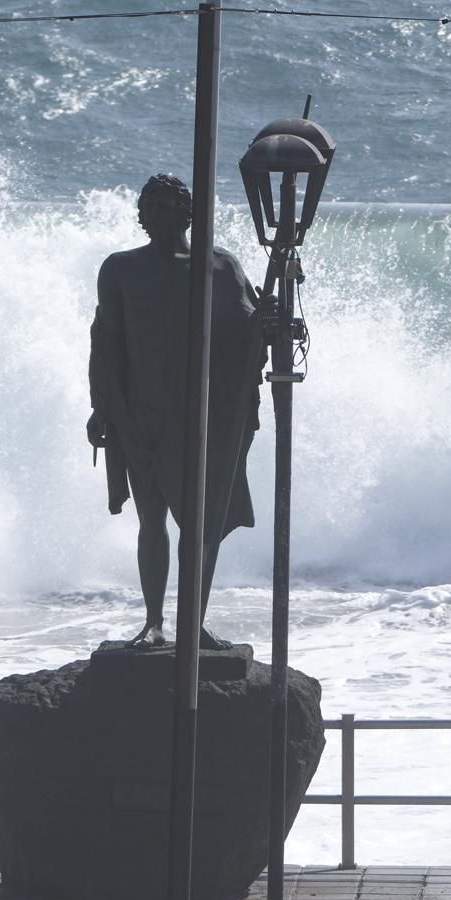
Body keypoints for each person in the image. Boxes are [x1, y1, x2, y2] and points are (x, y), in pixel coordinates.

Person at [87, 173, 266, 650]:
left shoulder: (221, 268)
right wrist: (100, 406)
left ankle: (194, 622)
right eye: (153, 208)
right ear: (141, 216)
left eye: (171, 207)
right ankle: (153, 622)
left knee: (202, 527)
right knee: (151, 520)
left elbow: (251, 334)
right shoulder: (120, 269)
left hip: (202, 416)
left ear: (190, 213)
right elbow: (105, 340)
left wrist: (275, 308)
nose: (161, 216)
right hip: (139, 414)